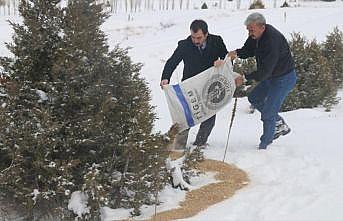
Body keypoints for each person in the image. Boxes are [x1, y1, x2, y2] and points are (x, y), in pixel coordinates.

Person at [161, 19, 243, 149]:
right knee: (184, 117)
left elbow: (228, 61)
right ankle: (178, 147)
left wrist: (221, 61)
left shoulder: (217, 41)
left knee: (209, 116)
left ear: (206, 34)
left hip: (210, 85)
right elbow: (172, 62)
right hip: (190, 86)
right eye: (193, 37)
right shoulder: (184, 45)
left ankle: (200, 144)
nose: (195, 41)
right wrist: (165, 78)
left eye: (199, 37)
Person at [228, 12, 296, 149]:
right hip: (270, 76)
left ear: (262, 27)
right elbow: (248, 50)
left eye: (251, 30)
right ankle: (278, 123)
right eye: (248, 30)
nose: (249, 33)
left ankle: (265, 146)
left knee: (268, 113)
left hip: (283, 79)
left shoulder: (272, 41)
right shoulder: (256, 35)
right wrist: (236, 53)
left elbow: (265, 71)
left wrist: (245, 78)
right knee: (254, 97)